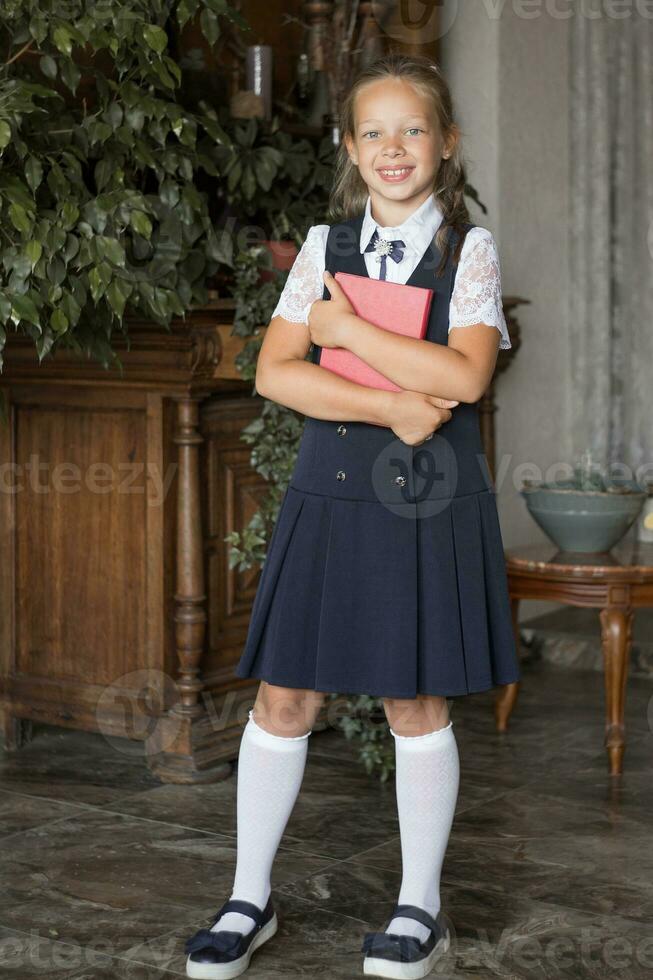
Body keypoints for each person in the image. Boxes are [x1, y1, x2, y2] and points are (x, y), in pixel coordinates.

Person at [185, 51, 521, 980]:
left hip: (426, 505)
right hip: (329, 495)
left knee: (412, 698)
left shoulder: (470, 250)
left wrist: (347, 335)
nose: (392, 147)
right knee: (284, 695)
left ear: (446, 143)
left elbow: (464, 375)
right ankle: (247, 897)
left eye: (412, 129)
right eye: (372, 132)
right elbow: (272, 373)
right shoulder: (322, 243)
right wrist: (386, 404)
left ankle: (420, 907)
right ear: (348, 147)